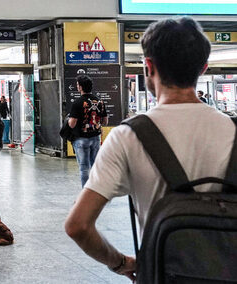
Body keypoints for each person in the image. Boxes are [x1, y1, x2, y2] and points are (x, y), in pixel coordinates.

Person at [65, 17, 223, 280]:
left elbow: (78, 226)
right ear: (203, 68)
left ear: (148, 66)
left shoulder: (128, 136)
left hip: (163, 272)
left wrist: (120, 263)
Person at [67, 75, 109, 187]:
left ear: (80, 87)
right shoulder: (100, 102)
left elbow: (72, 124)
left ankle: (85, 193)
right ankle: (97, 190)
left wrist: (67, 120)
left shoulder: (77, 103)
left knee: (84, 168)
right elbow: (105, 122)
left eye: (77, 85)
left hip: (81, 139)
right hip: (95, 137)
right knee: (95, 166)